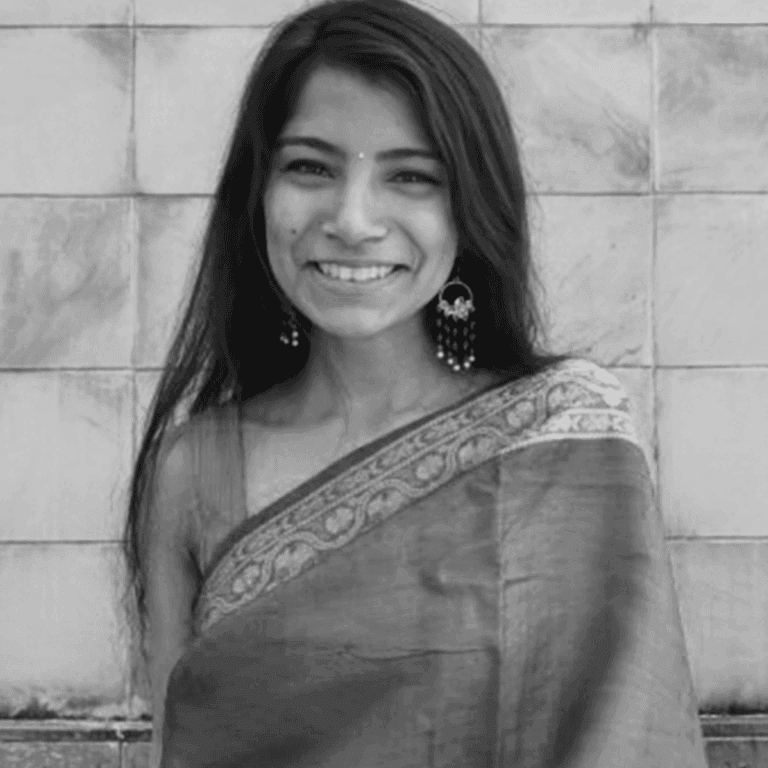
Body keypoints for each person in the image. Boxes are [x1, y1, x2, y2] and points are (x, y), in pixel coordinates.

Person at [123, 1, 710, 765]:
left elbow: (628, 734)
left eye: (411, 176)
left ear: (471, 208)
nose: (353, 219)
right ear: (257, 193)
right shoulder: (195, 468)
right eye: (310, 167)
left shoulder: (560, 433)